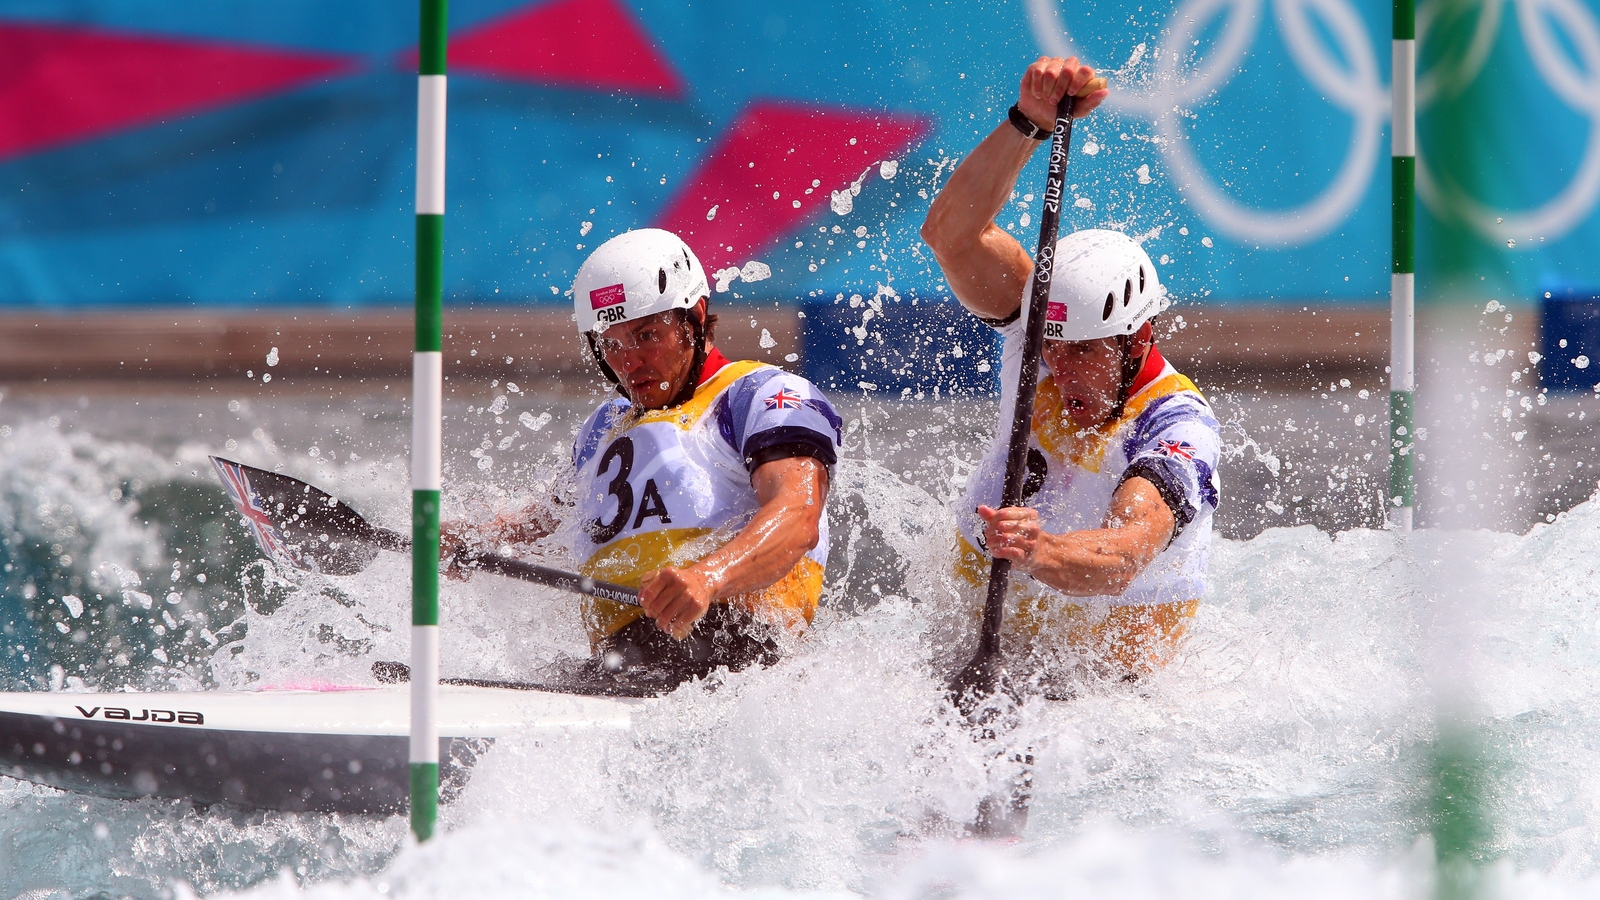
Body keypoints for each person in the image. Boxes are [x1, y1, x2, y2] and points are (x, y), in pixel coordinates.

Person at [920, 57, 1220, 681]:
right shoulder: (1040, 328)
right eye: (1048, 347)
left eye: (1081, 351)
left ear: (1138, 341)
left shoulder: (1178, 426)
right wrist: (1028, 122)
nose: (1056, 366)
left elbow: (1129, 550)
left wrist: (1042, 550)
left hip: (1104, 685)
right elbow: (951, 235)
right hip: (974, 631)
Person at [443, 228, 841, 692]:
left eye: (647, 335)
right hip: (624, 664)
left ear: (695, 317)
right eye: (611, 344)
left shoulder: (761, 395)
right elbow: (550, 521)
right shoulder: (603, 427)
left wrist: (707, 578)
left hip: (738, 655)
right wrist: (465, 541)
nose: (629, 361)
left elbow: (797, 514)